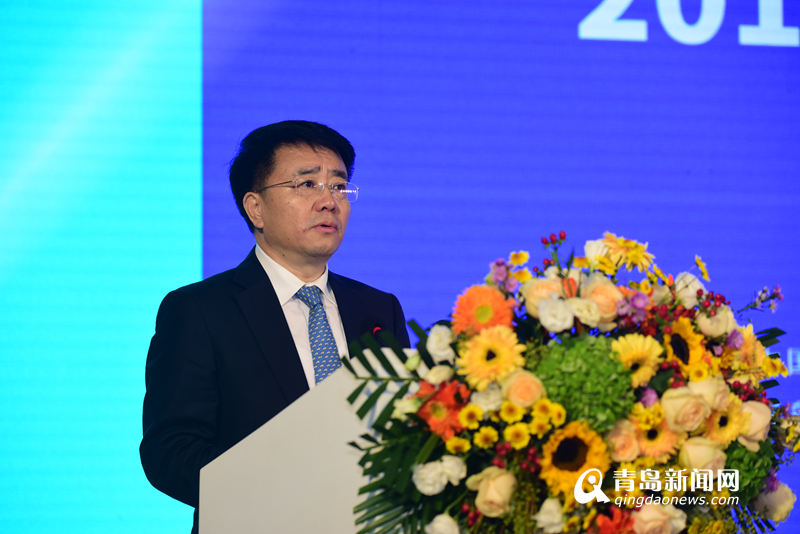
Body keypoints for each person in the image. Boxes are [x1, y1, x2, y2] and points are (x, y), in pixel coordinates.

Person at [139, 120, 409, 532]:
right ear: (256, 208)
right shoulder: (199, 310)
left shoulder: (378, 309)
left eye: (339, 186)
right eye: (307, 184)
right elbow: (170, 452)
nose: (329, 201)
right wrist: (281, 489)